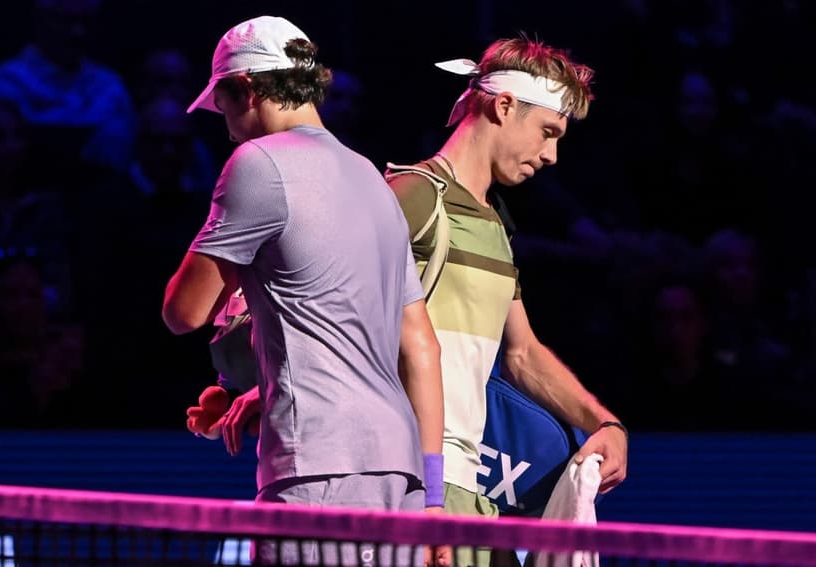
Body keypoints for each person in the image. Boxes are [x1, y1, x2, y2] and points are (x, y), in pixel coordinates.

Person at [161, 16, 446, 566]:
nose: (226, 129)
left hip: (317, 467)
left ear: (244, 89)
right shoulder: (372, 178)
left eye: (223, 109)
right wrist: (433, 500)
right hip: (401, 473)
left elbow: (183, 311)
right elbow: (421, 348)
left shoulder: (256, 164)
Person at [384, 34, 629, 566]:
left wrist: (604, 424)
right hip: (407, 481)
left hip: (470, 487)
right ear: (502, 105)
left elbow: (521, 353)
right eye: (547, 132)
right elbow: (325, 300)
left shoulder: (494, 227)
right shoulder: (412, 195)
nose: (551, 155)